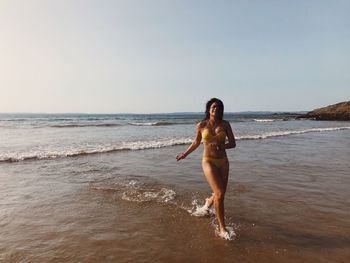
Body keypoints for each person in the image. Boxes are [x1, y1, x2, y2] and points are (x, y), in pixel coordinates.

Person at [176, 98, 236, 239]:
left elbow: (233, 143)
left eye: (219, 107)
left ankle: (208, 202)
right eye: (213, 107)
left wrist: (223, 146)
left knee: (219, 194)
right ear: (209, 109)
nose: (216, 109)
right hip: (208, 161)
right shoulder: (201, 125)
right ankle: (222, 228)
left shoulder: (225, 124)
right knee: (220, 193)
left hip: (223, 162)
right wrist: (185, 154)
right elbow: (196, 142)